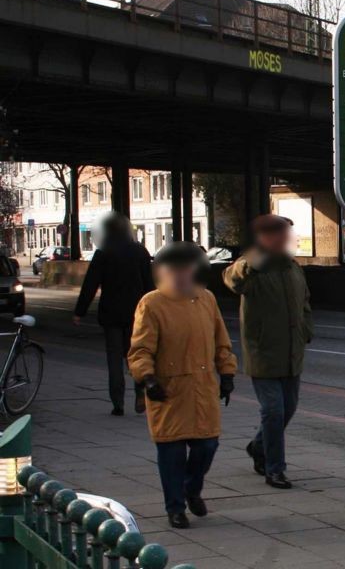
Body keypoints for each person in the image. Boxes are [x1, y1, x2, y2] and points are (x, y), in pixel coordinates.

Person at [128, 242, 236, 529]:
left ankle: (191, 488)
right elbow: (140, 350)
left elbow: (220, 341)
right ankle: (175, 507)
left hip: (202, 389)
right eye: (173, 270)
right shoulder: (151, 304)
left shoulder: (206, 299)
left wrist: (227, 373)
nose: (180, 275)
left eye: (185, 269)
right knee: (172, 453)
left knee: (207, 445)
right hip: (169, 391)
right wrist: (148, 379)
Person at [223, 214, 313, 489]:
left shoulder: (292, 268)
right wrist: (257, 255)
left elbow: (305, 302)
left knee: (288, 409)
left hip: (291, 352)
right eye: (282, 234)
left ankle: (258, 447)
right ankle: (275, 469)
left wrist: (305, 330)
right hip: (263, 351)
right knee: (273, 410)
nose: (288, 239)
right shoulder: (254, 266)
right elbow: (232, 279)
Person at [73, 212, 155, 416]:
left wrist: (79, 312)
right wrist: (154, 312)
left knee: (114, 359)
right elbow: (149, 285)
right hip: (137, 313)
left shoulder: (103, 253)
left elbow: (90, 285)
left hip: (111, 314)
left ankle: (118, 403)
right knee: (136, 354)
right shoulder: (140, 252)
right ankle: (139, 390)